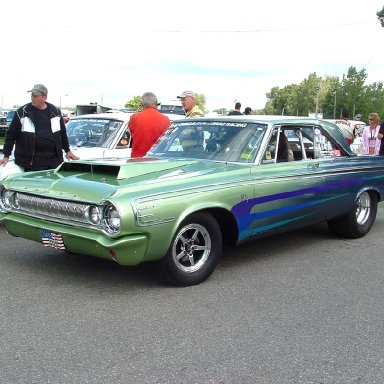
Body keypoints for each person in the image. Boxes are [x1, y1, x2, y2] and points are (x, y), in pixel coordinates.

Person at [0, 84, 79, 172]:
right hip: (32, 161)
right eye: (32, 95)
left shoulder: (55, 112)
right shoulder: (22, 112)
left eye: (35, 96)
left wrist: (67, 150)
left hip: (54, 159)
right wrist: (6, 155)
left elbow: (62, 134)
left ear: (44, 97)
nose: (32, 98)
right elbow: (11, 135)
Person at [128, 92, 171, 157]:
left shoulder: (134, 118)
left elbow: (132, 134)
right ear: (156, 104)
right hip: (158, 159)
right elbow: (167, 139)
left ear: (142, 104)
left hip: (138, 159)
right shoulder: (166, 119)